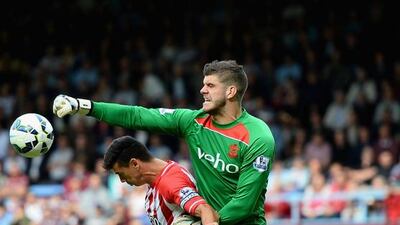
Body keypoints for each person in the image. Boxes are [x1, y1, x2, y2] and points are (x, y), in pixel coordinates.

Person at [53, 60, 276, 224]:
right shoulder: (193, 122)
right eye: (203, 84)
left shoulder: (258, 137)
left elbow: (244, 204)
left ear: (230, 91)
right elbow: (137, 116)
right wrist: (85, 107)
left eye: (210, 85)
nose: (202, 90)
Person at [103, 135, 219, 225]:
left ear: (134, 164)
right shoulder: (155, 181)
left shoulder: (170, 182)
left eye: (121, 174)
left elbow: (206, 210)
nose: (122, 180)